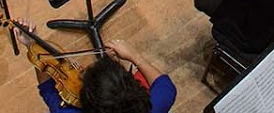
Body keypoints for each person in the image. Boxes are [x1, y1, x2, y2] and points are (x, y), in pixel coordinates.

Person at [35, 37, 176, 113]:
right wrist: (135, 56)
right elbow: (162, 82)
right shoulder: (160, 100)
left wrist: (33, 43)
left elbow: (47, 88)